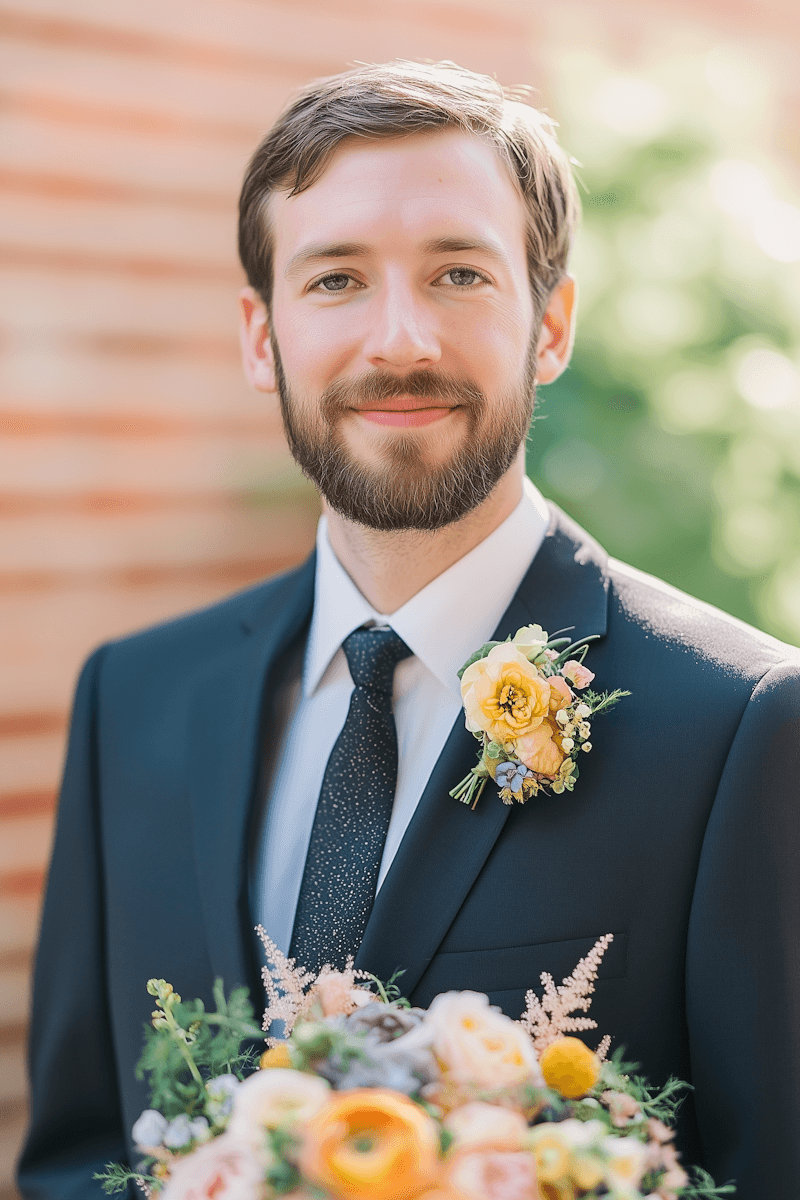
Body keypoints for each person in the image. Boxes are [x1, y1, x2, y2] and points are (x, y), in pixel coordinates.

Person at [18, 60, 800, 1200]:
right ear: (259, 336)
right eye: (334, 279)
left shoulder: (740, 726)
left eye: (457, 274)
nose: (399, 342)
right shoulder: (132, 699)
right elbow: (79, 1157)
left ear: (550, 326)